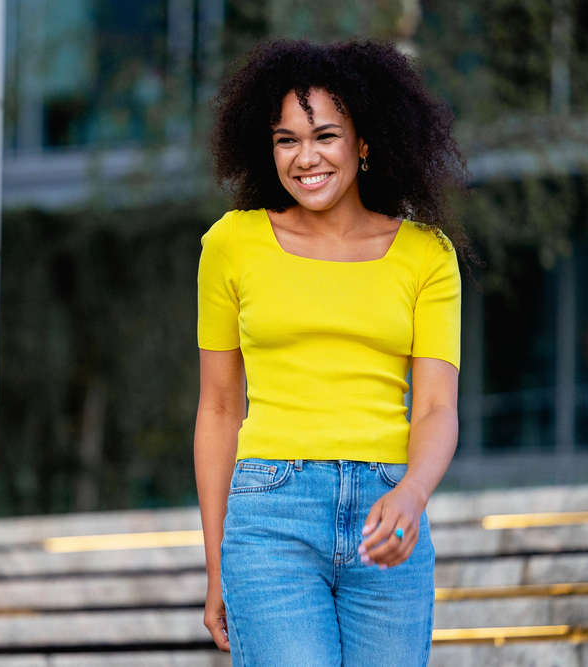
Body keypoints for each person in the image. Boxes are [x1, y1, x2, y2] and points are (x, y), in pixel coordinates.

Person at [194, 39, 468, 666]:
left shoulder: (428, 256)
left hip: (387, 515)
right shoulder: (232, 244)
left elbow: (434, 409)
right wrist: (218, 567)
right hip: (271, 517)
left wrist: (412, 494)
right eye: (287, 139)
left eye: (326, 135)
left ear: (364, 142)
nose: (306, 157)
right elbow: (216, 411)